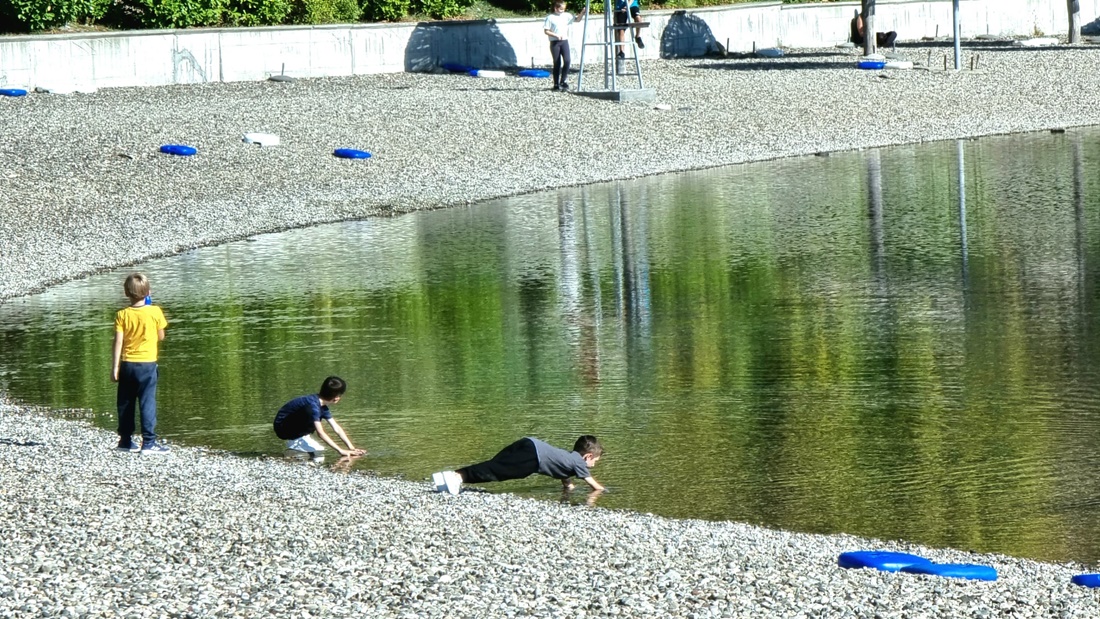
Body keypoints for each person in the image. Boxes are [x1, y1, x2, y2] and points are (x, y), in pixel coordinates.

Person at [111, 272, 169, 454]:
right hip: (147, 364)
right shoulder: (155, 311)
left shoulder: (122, 315)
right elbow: (161, 336)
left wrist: (115, 367)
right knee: (147, 403)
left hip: (127, 364)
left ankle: (125, 440)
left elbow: (118, 342)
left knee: (126, 403)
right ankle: (149, 443)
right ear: (148, 292)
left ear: (126, 293)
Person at [433, 435, 605, 496]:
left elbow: (565, 478)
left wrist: (568, 490)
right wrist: (604, 493)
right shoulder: (578, 463)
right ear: (588, 456)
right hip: (532, 456)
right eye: (595, 461)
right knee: (497, 471)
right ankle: (457, 477)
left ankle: (451, 476)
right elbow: (595, 488)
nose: (594, 464)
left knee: (495, 465)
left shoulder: (568, 458)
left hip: (528, 443)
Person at [273, 376, 366, 457]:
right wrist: (340, 451)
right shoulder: (312, 407)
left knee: (319, 451)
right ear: (337, 398)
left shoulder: (321, 405)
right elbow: (320, 433)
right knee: (318, 451)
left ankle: (300, 439)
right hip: (283, 428)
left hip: (291, 424)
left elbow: (336, 428)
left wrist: (351, 448)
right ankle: (295, 442)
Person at [543, 0, 585, 91]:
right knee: (557, 63)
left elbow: (577, 20)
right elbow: (546, 31)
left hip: (564, 41)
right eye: (561, 9)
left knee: (567, 60)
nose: (563, 11)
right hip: (555, 42)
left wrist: (582, 13)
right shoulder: (550, 17)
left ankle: (563, 81)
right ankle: (556, 83)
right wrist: (556, 35)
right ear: (556, 8)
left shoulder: (567, 16)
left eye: (563, 9)